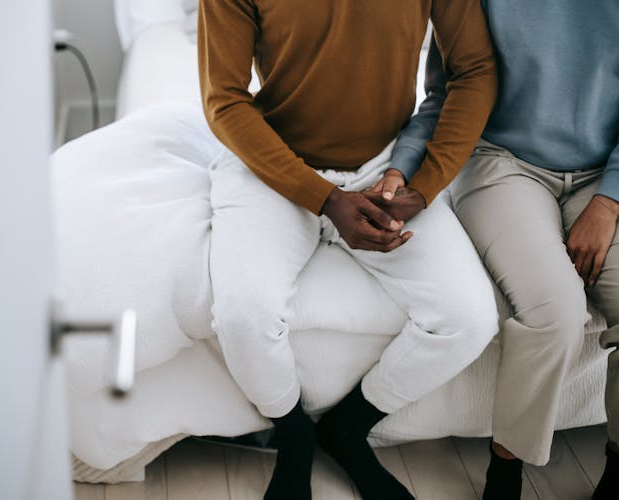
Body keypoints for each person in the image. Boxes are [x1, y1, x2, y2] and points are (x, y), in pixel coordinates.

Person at [198, 1, 499, 498]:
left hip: (385, 166)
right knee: (242, 314)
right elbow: (224, 99)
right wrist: (325, 199)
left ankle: (347, 429)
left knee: (468, 317)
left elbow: (475, 69)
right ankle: (294, 436)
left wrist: (425, 186)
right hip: (272, 163)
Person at [398, 2, 619, 498]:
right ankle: (505, 470)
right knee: (556, 314)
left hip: (604, 175)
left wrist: (608, 202)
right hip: (502, 163)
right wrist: (401, 169)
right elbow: (445, 95)